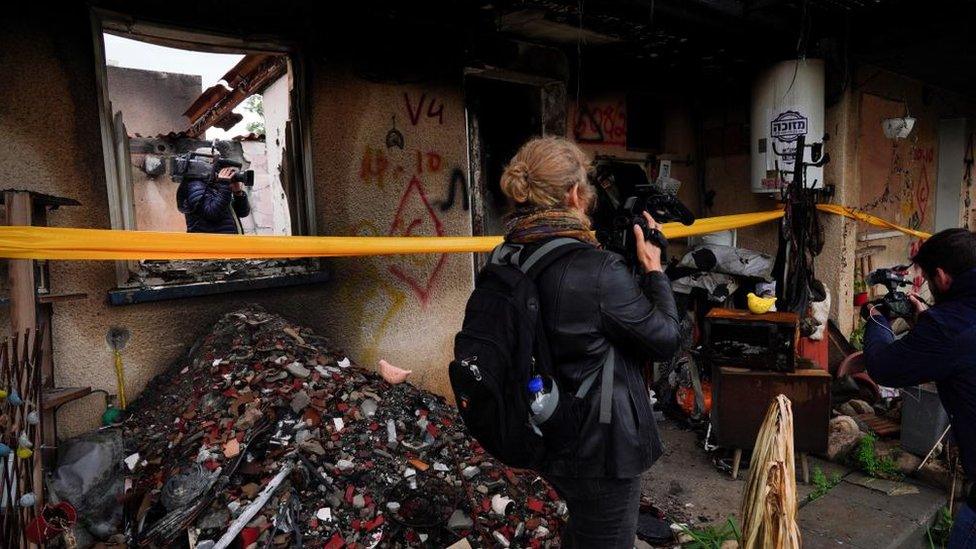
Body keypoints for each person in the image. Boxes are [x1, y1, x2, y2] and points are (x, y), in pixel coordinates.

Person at [498, 137, 681, 547]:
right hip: (600, 449)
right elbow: (665, 338)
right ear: (575, 194)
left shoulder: (508, 254)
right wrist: (654, 269)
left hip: (544, 427)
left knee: (583, 535)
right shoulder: (596, 269)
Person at [862, 228, 976, 548]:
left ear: (941, 276)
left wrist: (877, 317)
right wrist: (928, 325)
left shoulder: (947, 326)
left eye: (925, 279)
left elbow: (885, 366)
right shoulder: (951, 322)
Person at [177, 166, 251, 234]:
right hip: (211, 245)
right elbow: (212, 213)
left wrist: (237, 192)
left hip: (227, 243)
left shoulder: (217, 186)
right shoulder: (195, 186)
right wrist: (224, 184)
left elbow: (243, 212)